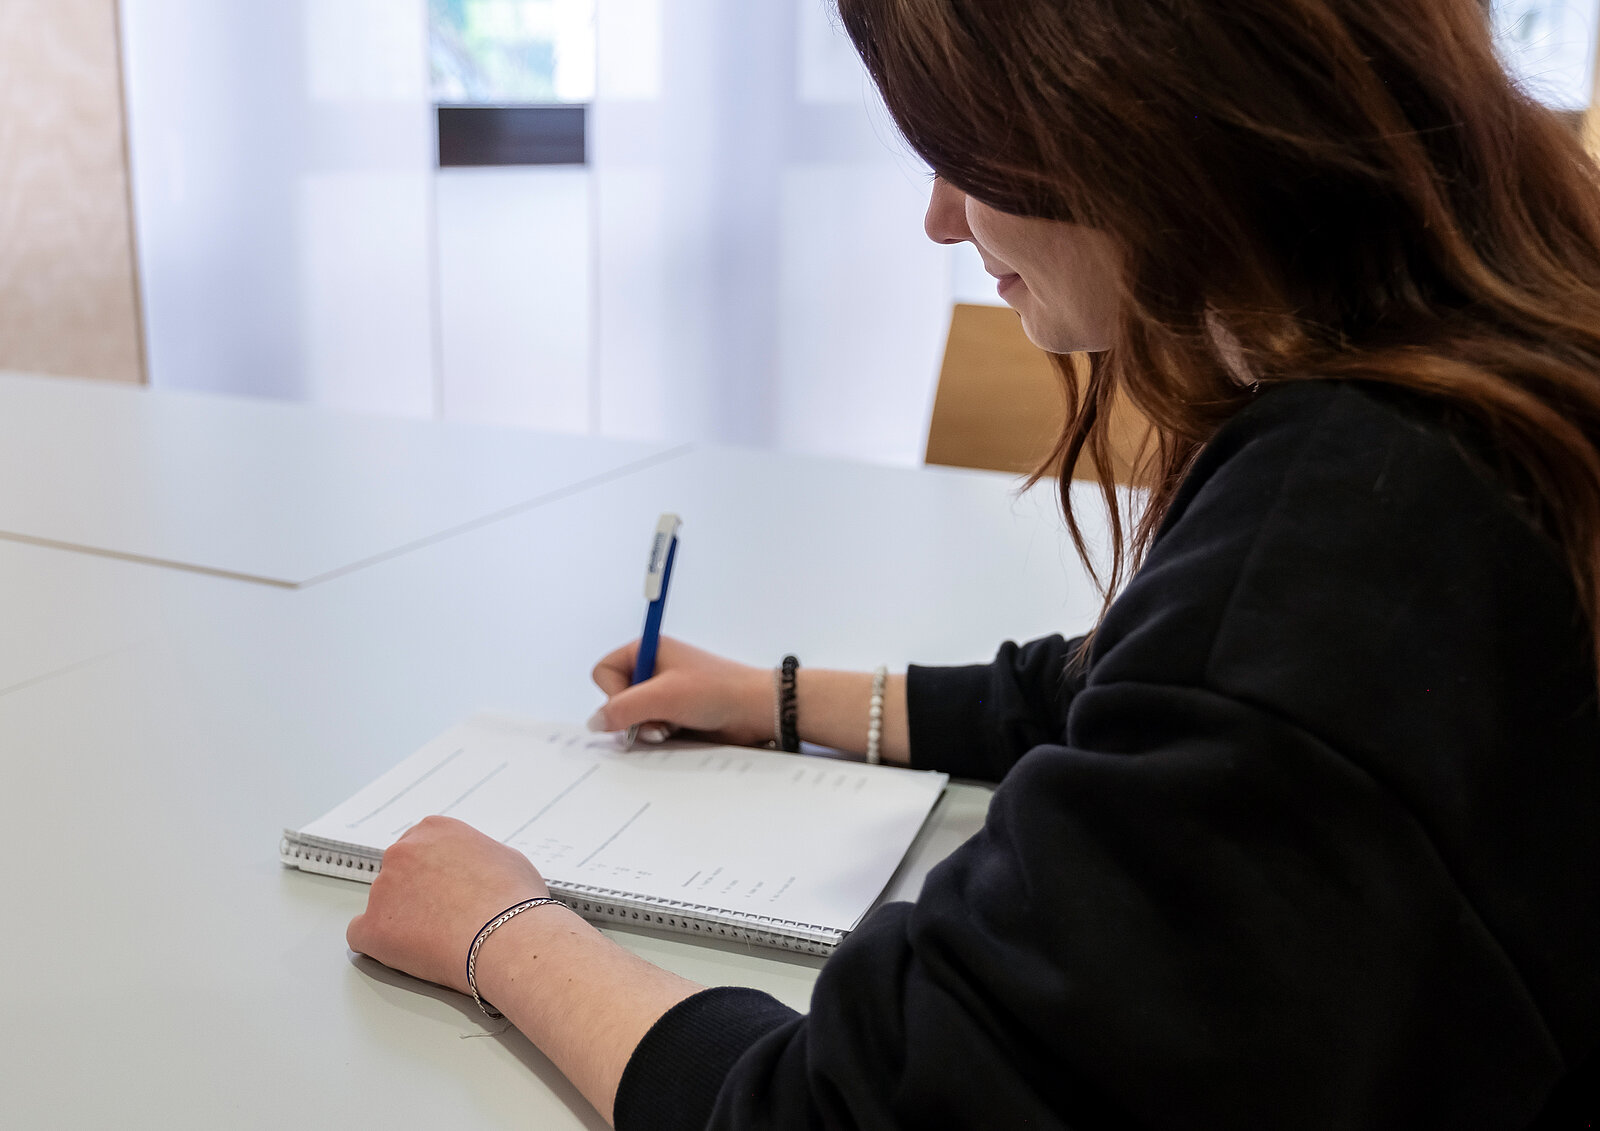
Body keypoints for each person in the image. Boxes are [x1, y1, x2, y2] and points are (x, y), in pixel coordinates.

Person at [345, 0, 1600, 1126]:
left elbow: (852, 1111)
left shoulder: (1347, 532)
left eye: (964, 155)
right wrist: (778, 699)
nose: (939, 218)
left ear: (1134, 118)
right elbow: (1141, 694)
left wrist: (501, 930)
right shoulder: (1462, 397)